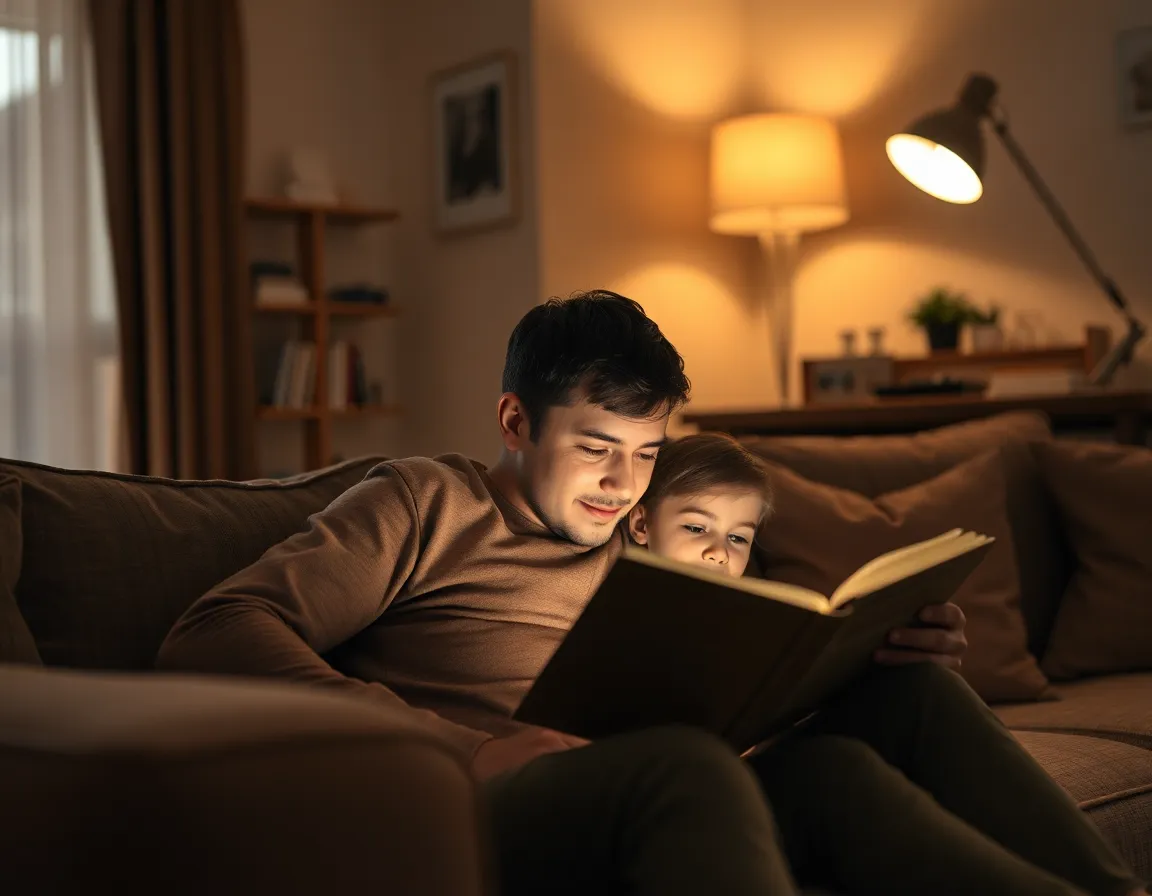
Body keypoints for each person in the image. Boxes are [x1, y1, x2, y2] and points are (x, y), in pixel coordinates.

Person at [157, 291, 1144, 896]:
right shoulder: (424, 501)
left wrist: (865, 648)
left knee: (894, 708)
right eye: (594, 446)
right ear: (515, 417)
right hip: (486, 807)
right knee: (679, 764)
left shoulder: (642, 534)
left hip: (669, 780)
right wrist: (467, 744)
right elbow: (215, 629)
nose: (621, 480)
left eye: (644, 453)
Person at [628, 431, 1146, 894]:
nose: (719, 552)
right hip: (694, 791)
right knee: (832, 769)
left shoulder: (752, 612)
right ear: (641, 523)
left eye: (738, 538)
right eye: (697, 529)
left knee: (915, 682)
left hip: (749, 763)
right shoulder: (606, 606)